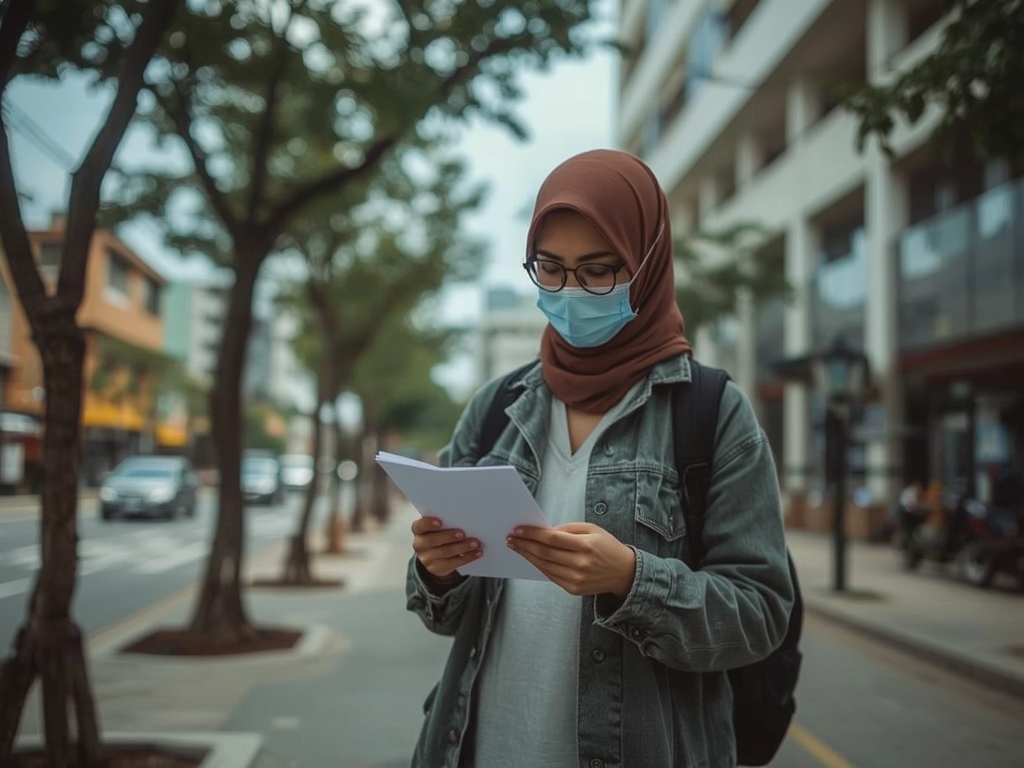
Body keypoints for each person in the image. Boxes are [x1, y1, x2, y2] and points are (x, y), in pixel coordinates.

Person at [406, 149, 794, 768]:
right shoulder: (497, 406)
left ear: (645, 265)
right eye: (550, 270)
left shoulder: (712, 414)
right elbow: (447, 620)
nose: (570, 294)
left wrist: (631, 580)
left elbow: (761, 613)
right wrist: (437, 569)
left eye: (597, 271)